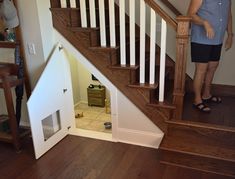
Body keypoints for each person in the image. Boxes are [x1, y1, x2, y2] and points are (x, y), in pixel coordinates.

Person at [187, 0, 233, 112]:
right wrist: (205, 23)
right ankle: (197, 100)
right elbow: (191, 14)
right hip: (201, 38)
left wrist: (230, 35)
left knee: (213, 67)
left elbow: (228, 15)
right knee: (201, 69)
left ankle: (206, 94)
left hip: (217, 38)